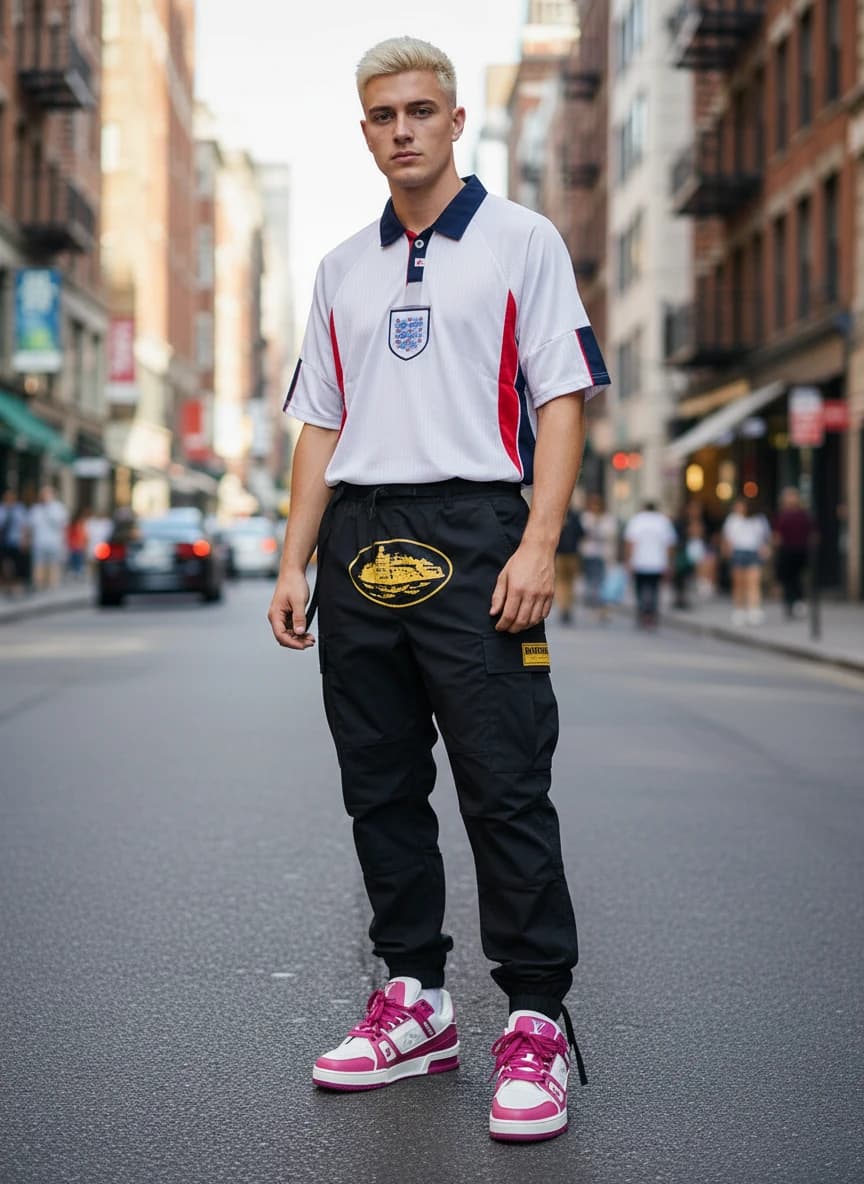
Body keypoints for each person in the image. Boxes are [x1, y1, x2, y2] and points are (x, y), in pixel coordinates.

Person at [267, 36, 609, 1144]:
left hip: (478, 528)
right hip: (360, 537)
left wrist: (539, 540)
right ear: (364, 132)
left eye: (421, 109)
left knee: (504, 782)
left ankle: (537, 1017)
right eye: (382, 114)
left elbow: (561, 398)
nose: (403, 127)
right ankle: (413, 996)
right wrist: (292, 558)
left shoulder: (522, 240)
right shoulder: (337, 268)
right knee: (380, 786)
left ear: (456, 121)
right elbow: (321, 422)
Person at [623, 500, 676, 628]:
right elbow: (669, 544)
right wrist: (669, 563)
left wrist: (628, 560)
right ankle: (651, 613)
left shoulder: (637, 520)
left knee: (640, 589)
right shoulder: (663, 521)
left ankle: (642, 612)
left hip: (640, 561)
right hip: (657, 562)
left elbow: (630, 543)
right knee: (654, 589)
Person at [722, 497, 771, 625]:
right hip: (738, 552)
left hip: (753, 552)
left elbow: (765, 537)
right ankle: (740, 609)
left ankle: (754, 608)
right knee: (739, 583)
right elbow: (727, 538)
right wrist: (728, 551)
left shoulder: (758, 519)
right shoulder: (732, 520)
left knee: (753, 582)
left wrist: (765, 549)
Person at [772, 487, 814, 619]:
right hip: (786, 550)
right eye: (788, 497)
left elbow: (813, 531)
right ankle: (789, 603)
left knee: (798, 577)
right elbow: (777, 534)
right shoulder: (781, 515)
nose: (791, 499)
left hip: (801, 550)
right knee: (787, 579)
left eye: (793, 496)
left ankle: (799, 601)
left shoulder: (803, 514)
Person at [579, 492, 617, 622]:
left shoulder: (608, 518)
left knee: (601, 581)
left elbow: (611, 534)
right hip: (589, 553)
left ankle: (601, 607)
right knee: (591, 580)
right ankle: (593, 605)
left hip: (603, 554)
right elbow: (582, 533)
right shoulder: (586, 517)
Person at [28, 484, 68, 591]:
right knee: (38, 565)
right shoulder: (35, 509)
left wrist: (48, 509)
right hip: (39, 542)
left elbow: (61, 524)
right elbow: (30, 525)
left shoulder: (58, 507)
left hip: (54, 542)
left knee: (53, 565)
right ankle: (39, 586)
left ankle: (52, 588)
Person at [554, 497, 584, 624]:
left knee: (561, 582)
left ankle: (563, 607)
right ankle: (567, 606)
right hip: (572, 553)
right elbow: (581, 533)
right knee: (569, 583)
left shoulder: (556, 515)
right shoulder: (575, 516)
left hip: (560, 554)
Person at [0, 489, 30, 597]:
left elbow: (25, 526)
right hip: (3, 542)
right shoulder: (2, 509)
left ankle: (16, 585)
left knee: (17, 564)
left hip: (16, 541)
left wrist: (25, 541)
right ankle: (6, 584)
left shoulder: (20, 509)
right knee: (5, 564)